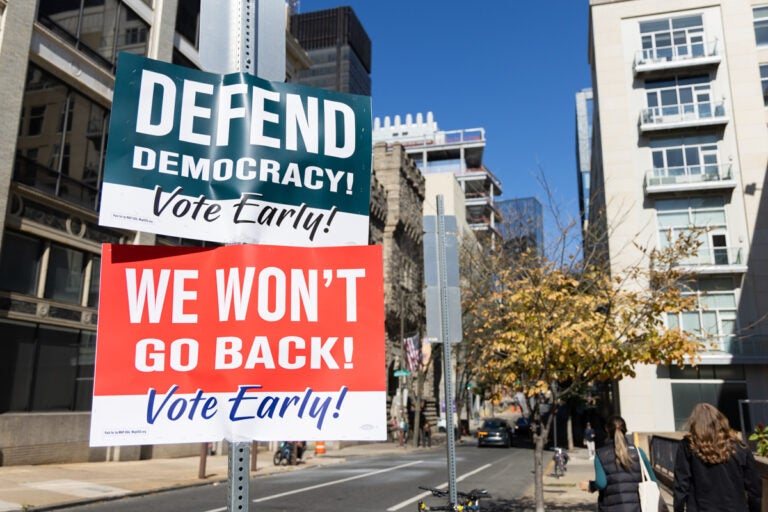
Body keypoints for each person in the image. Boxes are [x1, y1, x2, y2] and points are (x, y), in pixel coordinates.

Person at [673, 403, 761, 512]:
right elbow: (754, 488)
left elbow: (681, 485)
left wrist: (678, 509)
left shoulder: (688, 446)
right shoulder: (739, 447)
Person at [579, 415, 660, 511]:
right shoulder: (638, 452)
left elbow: (601, 483)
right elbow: (654, 482)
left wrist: (590, 486)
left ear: (607, 430)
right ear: (625, 430)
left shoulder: (601, 454)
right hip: (637, 507)